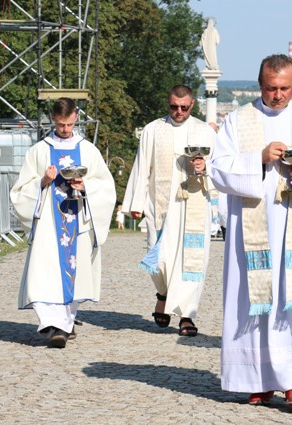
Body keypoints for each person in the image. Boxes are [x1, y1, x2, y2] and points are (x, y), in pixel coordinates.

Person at [209, 54, 292, 409]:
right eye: (271, 88)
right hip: (252, 231)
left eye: (284, 88)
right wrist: (259, 158)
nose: (278, 95)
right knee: (254, 303)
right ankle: (259, 380)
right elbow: (218, 170)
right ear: (260, 84)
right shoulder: (238, 121)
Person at [10, 97, 116, 348]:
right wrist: (43, 182)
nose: (65, 130)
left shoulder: (88, 150)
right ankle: (52, 323)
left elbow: (106, 186)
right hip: (49, 222)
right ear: (53, 120)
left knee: (74, 270)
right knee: (44, 270)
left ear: (76, 118)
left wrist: (85, 185)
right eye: (60, 125)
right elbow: (19, 191)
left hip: (77, 219)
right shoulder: (39, 150)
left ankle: (65, 324)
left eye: (68, 124)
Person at [122, 85, 217, 337]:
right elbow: (142, 166)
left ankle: (187, 315)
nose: (178, 112)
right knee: (158, 259)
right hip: (160, 205)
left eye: (184, 107)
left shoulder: (204, 132)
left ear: (192, 105)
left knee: (191, 260)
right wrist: (136, 202)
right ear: (168, 103)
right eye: (174, 106)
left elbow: (218, 167)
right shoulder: (153, 130)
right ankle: (163, 293)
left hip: (192, 207)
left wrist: (204, 167)